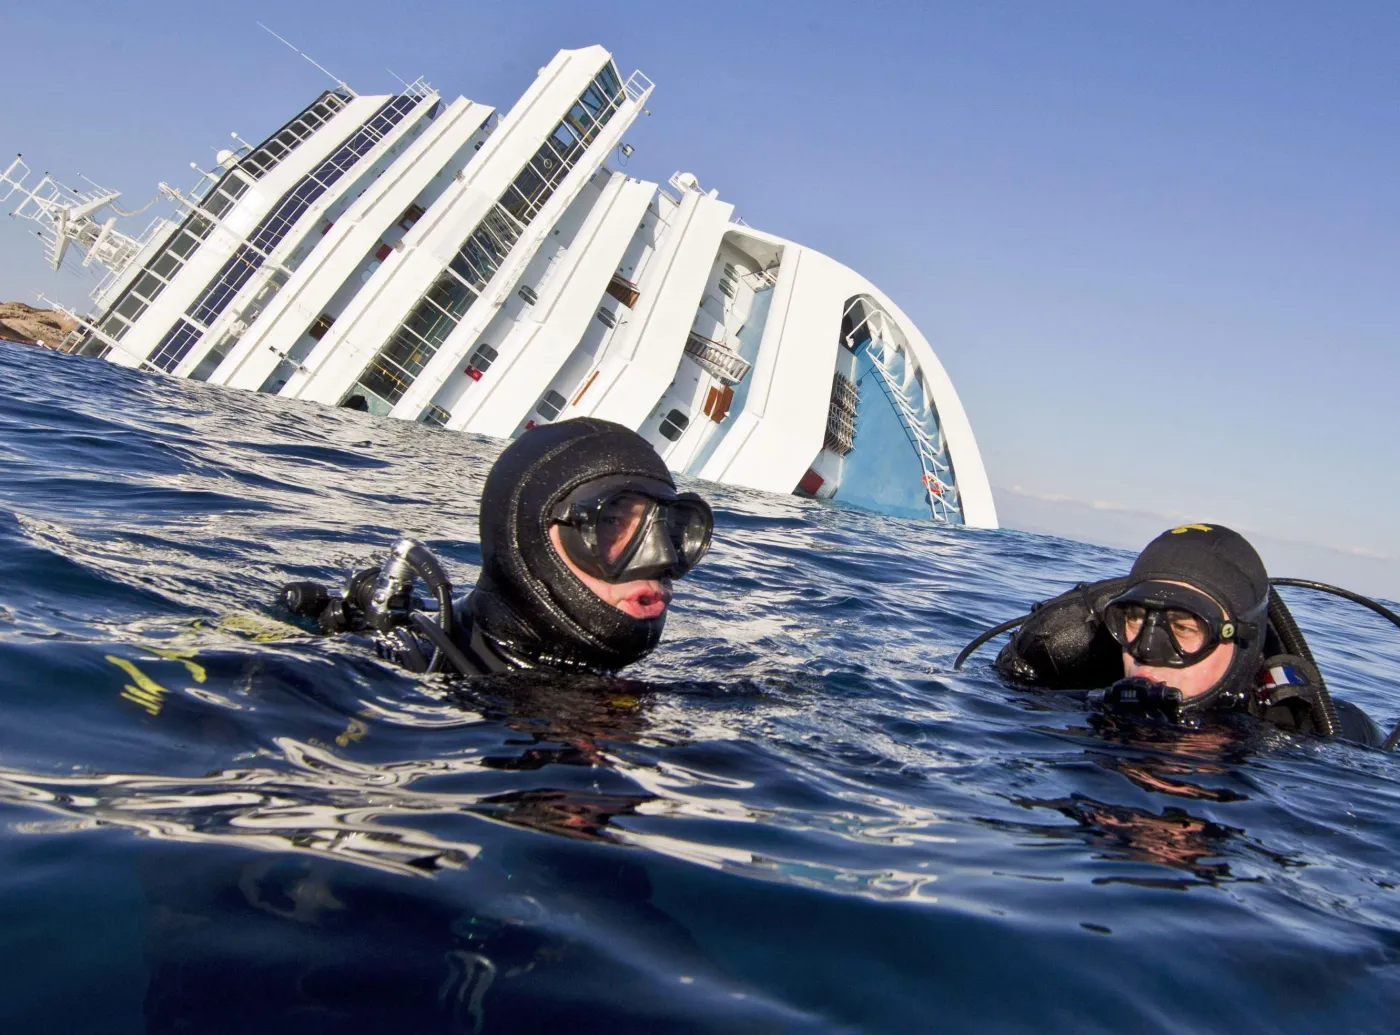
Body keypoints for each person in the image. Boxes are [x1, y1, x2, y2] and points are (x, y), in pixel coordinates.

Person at [281, 417, 713, 675]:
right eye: (614, 522)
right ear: (528, 536)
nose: (661, 558)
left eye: (673, 529)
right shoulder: (408, 671)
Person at [959, 523, 1387, 746]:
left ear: (1239, 640)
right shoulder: (1080, 703)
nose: (1147, 650)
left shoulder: (1314, 735)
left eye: (1184, 628)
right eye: (1134, 619)